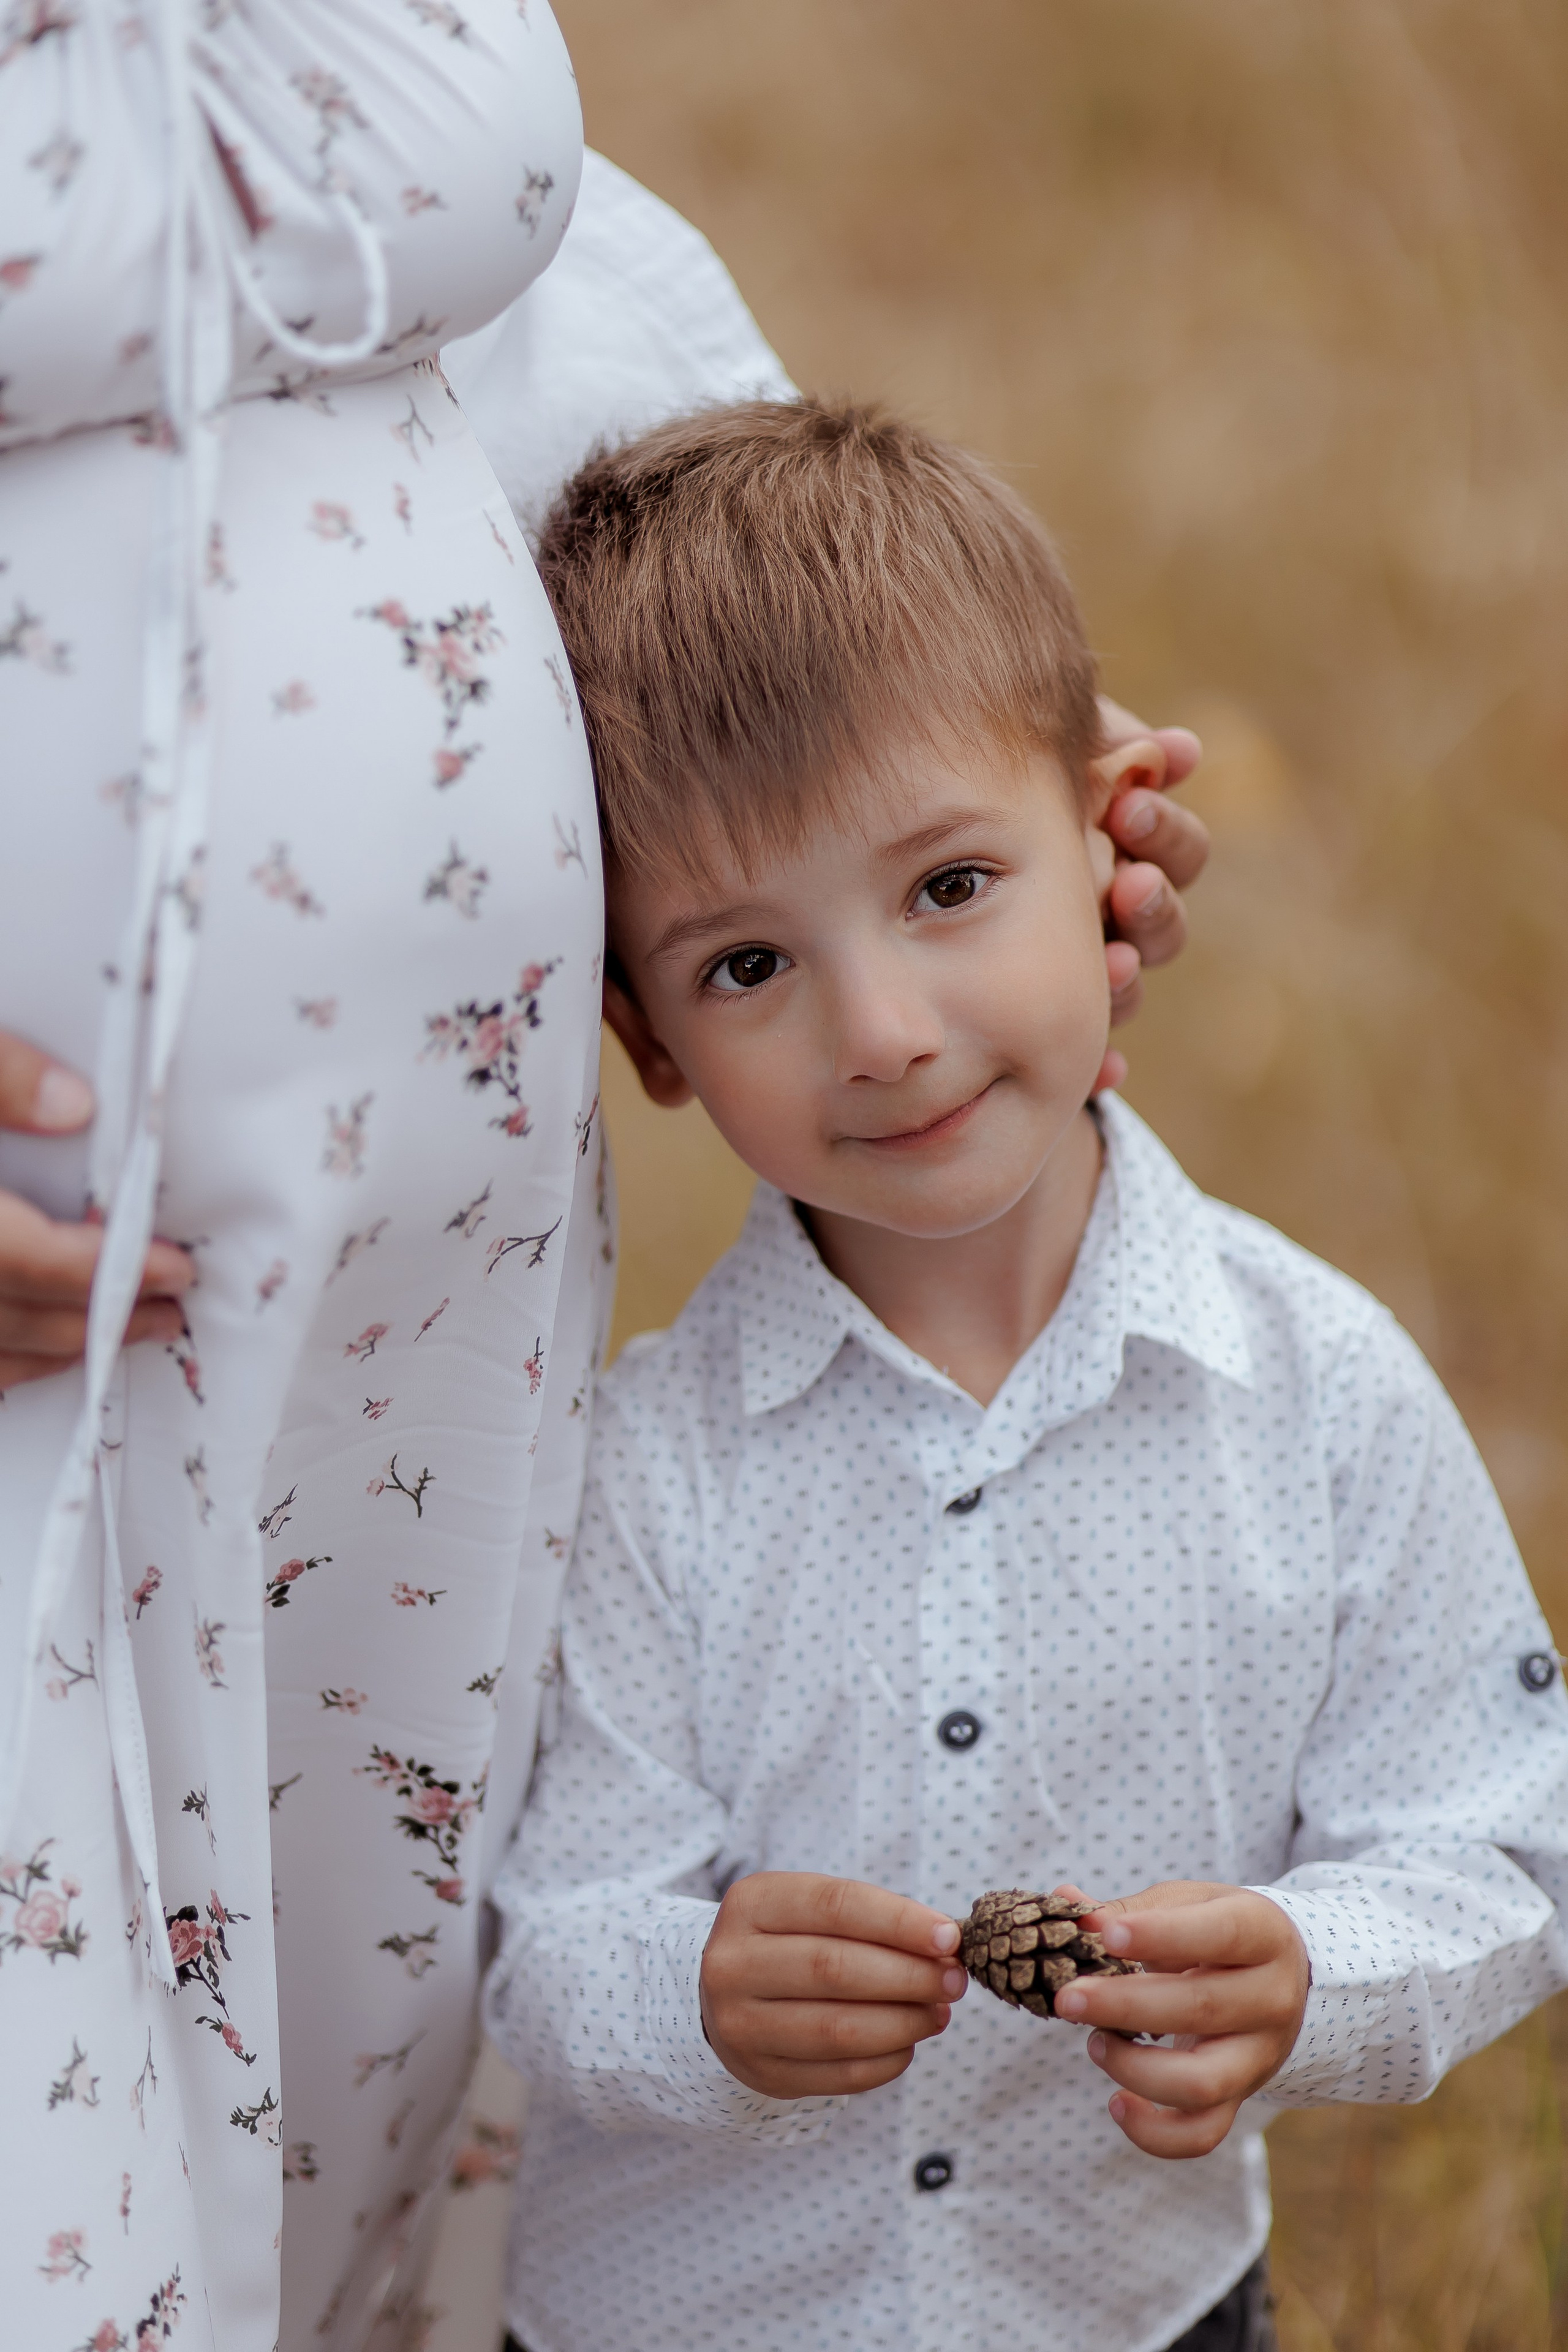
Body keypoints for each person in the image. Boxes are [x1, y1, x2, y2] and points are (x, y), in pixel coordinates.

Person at [0, 43, 1208, 2347]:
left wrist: (927, 765)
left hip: (400, 1391)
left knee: (346, 2062)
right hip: (44, 1370)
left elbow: (536, 341)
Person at [483, 398, 1568, 2352]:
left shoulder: (1316, 1388)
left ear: (1111, 823)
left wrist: (1315, 1974)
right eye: (748, 967)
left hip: (1130, 2308)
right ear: (649, 1043)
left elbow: (1497, 1838)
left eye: (949, 888)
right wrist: (695, 1991)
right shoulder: (648, 1460)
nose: (883, 1033)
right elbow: (551, 1946)